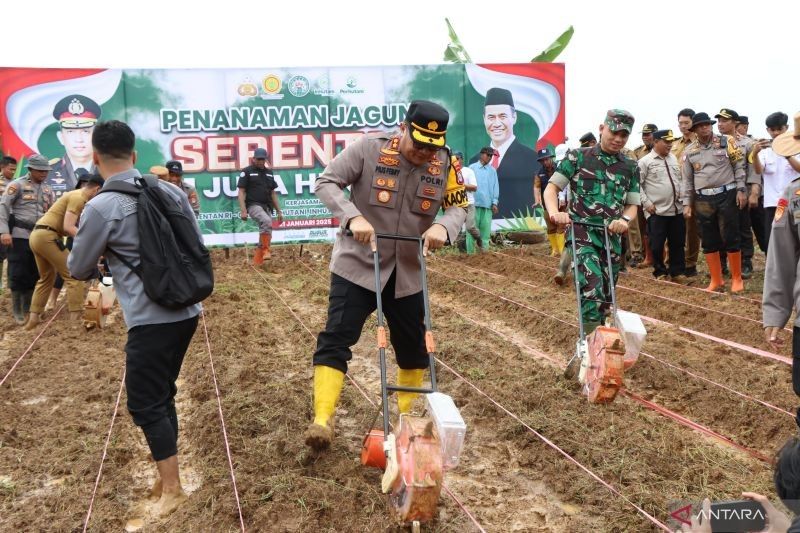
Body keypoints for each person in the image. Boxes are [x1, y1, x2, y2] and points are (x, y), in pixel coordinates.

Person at [304, 100, 467, 450]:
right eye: (419, 143)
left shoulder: (446, 162)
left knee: (412, 350)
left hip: (407, 272)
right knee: (336, 338)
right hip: (357, 266)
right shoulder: (368, 149)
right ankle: (322, 419)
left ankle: (405, 421)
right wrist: (352, 217)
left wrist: (443, 225)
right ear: (403, 128)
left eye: (432, 147)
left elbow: (458, 207)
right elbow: (326, 182)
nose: (425, 153)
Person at [67, 120, 201, 517]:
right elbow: (195, 242)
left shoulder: (101, 206)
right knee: (163, 393)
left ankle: (173, 489)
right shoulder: (170, 191)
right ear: (136, 156)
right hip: (188, 310)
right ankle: (166, 477)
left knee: (145, 403)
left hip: (149, 317)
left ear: (95, 157)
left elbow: (78, 266)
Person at [544, 109, 640, 333]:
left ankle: (601, 343)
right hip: (582, 234)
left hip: (611, 238)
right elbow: (551, 188)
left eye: (623, 136)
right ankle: (588, 345)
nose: (617, 139)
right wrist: (555, 212)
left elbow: (632, 205)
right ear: (601, 128)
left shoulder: (630, 167)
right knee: (591, 288)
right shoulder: (577, 157)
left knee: (606, 298)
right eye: (613, 132)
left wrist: (624, 220)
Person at [25, 173, 104, 329]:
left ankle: (34, 317)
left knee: (46, 277)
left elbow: (68, 228)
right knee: (74, 274)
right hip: (48, 236)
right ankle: (75, 321)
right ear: (97, 189)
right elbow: (69, 227)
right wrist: (90, 242)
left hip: (38, 235)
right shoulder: (79, 197)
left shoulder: (74, 195)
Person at [681, 112, 746, 292]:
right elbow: (686, 180)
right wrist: (686, 203)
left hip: (727, 193)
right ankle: (716, 280)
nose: (705, 128)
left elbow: (739, 166)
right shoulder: (689, 151)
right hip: (703, 198)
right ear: (694, 129)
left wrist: (741, 190)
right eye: (701, 126)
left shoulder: (727, 142)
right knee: (709, 238)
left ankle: (736, 278)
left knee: (731, 235)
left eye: (708, 124)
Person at [0, 154, 55, 324]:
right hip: (19, 235)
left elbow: (52, 212)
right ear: (30, 169)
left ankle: (28, 308)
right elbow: (3, 207)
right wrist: (4, 232)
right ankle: (17, 309)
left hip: (39, 237)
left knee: (34, 272)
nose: (44, 174)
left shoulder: (48, 190)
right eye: (40, 171)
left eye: (46, 171)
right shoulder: (17, 185)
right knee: (18, 272)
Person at [469, 87, 539, 218]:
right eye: (491, 117)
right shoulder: (473, 161)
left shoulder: (532, 159)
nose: (496, 124)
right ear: (484, 119)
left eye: (502, 116)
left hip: (520, 233)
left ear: (514, 117)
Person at [638, 130, 686, 282]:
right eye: (666, 142)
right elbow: (636, 185)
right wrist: (646, 203)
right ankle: (660, 271)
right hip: (657, 210)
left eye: (671, 141)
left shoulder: (673, 158)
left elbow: (679, 180)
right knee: (657, 244)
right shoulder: (645, 161)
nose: (670, 145)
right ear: (656, 142)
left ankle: (677, 272)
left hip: (676, 209)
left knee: (677, 243)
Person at [716, 108, 757, 278]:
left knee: (742, 228)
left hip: (741, 191)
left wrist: (753, 191)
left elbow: (753, 170)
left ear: (735, 123)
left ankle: (745, 262)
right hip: (721, 193)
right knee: (721, 229)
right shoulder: (714, 142)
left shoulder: (747, 143)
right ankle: (723, 262)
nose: (720, 124)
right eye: (719, 121)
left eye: (724, 121)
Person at [752, 112, 800, 254]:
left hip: (795, 202)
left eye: (780, 129)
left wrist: (787, 154)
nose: (776, 133)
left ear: (787, 127)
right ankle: (774, 272)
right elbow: (759, 170)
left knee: (796, 237)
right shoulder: (766, 151)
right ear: (768, 130)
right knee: (772, 240)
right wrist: (754, 154)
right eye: (772, 130)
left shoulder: (797, 147)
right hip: (774, 204)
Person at [47, 94, 101, 198]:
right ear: (61, 137)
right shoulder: (47, 173)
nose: (79, 139)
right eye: (71, 132)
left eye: (85, 131)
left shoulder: (108, 170)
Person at [237, 148, 282, 264]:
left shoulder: (269, 173)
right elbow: (241, 191)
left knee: (267, 230)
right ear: (254, 159)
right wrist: (243, 210)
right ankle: (266, 251)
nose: (261, 161)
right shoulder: (246, 171)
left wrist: (279, 211)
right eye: (258, 159)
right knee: (266, 221)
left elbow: (273, 193)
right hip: (253, 205)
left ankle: (258, 263)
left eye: (263, 159)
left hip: (267, 206)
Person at [672, 108, 701, 278]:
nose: (683, 126)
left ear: (693, 122)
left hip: (694, 192)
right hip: (675, 192)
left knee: (692, 230)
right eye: (680, 123)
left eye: (686, 123)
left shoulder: (701, 142)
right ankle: (674, 263)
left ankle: (690, 264)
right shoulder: (675, 144)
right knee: (674, 228)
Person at [534, 147, 565, 256]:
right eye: (543, 160)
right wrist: (537, 200)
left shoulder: (560, 167)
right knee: (551, 227)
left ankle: (562, 250)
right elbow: (536, 187)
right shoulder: (539, 173)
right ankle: (555, 250)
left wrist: (564, 199)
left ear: (551, 158)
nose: (545, 162)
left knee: (561, 225)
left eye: (547, 159)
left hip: (561, 203)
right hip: (547, 204)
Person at [468, 147, 499, 252]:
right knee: (471, 232)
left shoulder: (492, 171)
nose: (490, 158)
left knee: (485, 234)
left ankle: (484, 257)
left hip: (487, 206)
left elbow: (495, 187)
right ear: (482, 154)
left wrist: (494, 203)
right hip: (473, 205)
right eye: (488, 155)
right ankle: (470, 256)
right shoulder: (471, 168)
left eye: (491, 156)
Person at [454, 151, 482, 253]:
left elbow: (474, 187)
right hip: (456, 204)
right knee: (457, 229)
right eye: (453, 158)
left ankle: (479, 239)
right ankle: (462, 253)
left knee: (470, 227)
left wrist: (460, 186)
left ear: (462, 159)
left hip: (468, 203)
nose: (455, 160)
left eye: (457, 158)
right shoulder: (450, 171)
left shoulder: (468, 171)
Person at [0, 156, 17, 289]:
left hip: (14, 220)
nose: (13, 172)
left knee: (13, 253)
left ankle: (11, 282)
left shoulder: (16, 183)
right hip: (1, 219)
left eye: (15, 170)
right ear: (2, 167)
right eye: (10, 169)